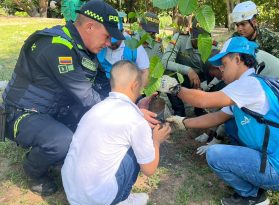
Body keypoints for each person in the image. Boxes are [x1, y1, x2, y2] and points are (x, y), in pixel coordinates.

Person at [2, 0, 135, 196]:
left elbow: (104, 86)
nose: (108, 43)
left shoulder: (83, 49)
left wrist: (130, 105)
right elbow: (87, 96)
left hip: (54, 110)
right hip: (24, 113)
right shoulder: (56, 46)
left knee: (91, 127)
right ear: (90, 26)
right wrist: (126, 118)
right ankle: (33, 169)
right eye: (107, 36)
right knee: (62, 141)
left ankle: (56, 150)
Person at [159, 37, 279, 205]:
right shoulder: (247, 86)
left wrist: (175, 88)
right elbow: (216, 117)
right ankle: (257, 180)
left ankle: (253, 196)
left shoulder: (249, 85)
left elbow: (203, 101)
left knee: (215, 155)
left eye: (224, 63)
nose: (220, 69)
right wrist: (184, 122)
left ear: (237, 59)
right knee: (232, 128)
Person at [62, 60, 171, 205]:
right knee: (137, 149)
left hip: (73, 192)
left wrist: (137, 107)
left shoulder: (97, 108)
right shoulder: (136, 121)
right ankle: (122, 199)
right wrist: (156, 141)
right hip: (96, 199)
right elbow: (149, 170)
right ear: (135, 85)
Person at [162, 18, 217, 116]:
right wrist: (188, 70)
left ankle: (200, 108)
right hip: (183, 77)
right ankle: (179, 112)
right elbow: (165, 61)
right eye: (198, 39)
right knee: (168, 74)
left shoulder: (211, 47)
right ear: (191, 32)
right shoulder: (179, 38)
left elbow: (220, 72)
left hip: (202, 79)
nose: (201, 43)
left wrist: (205, 87)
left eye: (204, 39)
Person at [95, 15, 150, 98]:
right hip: (103, 87)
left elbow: (145, 71)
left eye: (115, 42)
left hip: (127, 89)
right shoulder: (98, 43)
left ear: (122, 33)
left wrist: (136, 95)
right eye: (108, 39)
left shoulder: (134, 46)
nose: (110, 44)